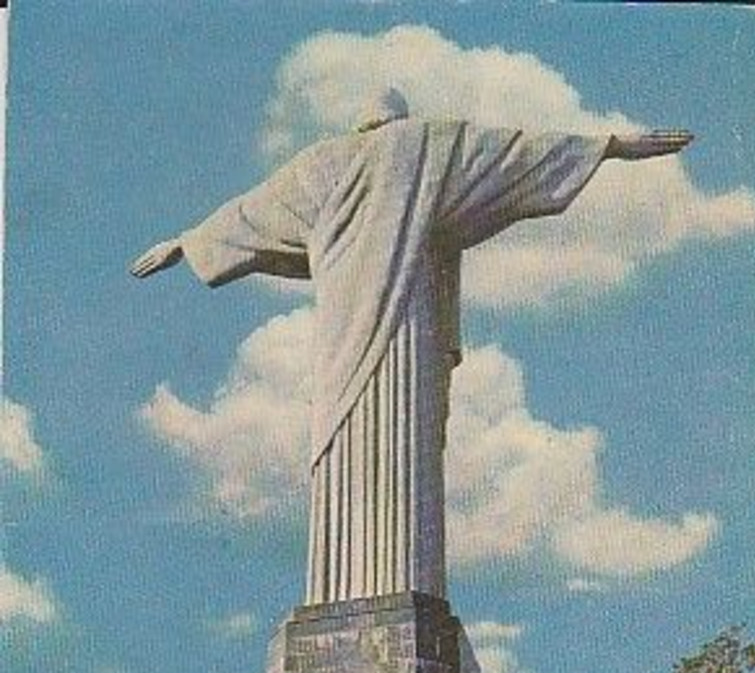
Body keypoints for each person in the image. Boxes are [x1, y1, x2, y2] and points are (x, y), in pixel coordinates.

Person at [131, 88, 692, 607]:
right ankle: (391, 594)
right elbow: (518, 154)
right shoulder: (429, 146)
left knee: (345, 452)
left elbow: (249, 212)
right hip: (405, 332)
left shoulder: (322, 163)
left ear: (362, 122)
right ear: (399, 119)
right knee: (401, 449)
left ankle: (338, 593)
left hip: (340, 341)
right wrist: (610, 146)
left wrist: (185, 242)